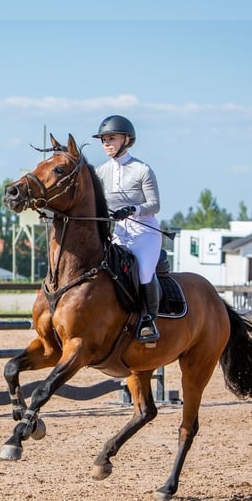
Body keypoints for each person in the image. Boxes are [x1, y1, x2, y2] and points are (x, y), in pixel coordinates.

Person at [92, 114, 162, 344]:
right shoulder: (101, 172)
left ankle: (148, 320)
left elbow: (155, 205)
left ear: (126, 140)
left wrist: (133, 209)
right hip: (117, 232)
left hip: (145, 232)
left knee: (142, 271)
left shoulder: (142, 169)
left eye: (111, 138)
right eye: (103, 139)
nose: (106, 143)